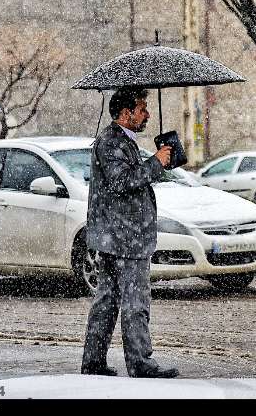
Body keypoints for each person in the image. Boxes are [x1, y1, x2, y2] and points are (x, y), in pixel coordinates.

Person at [81, 86, 179, 379]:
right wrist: (155, 164)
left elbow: (127, 183)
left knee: (107, 303)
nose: (146, 114)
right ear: (126, 114)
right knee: (134, 304)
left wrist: (157, 164)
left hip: (119, 237)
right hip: (126, 239)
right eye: (141, 109)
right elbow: (121, 183)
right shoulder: (112, 143)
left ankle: (94, 362)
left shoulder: (121, 141)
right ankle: (140, 363)